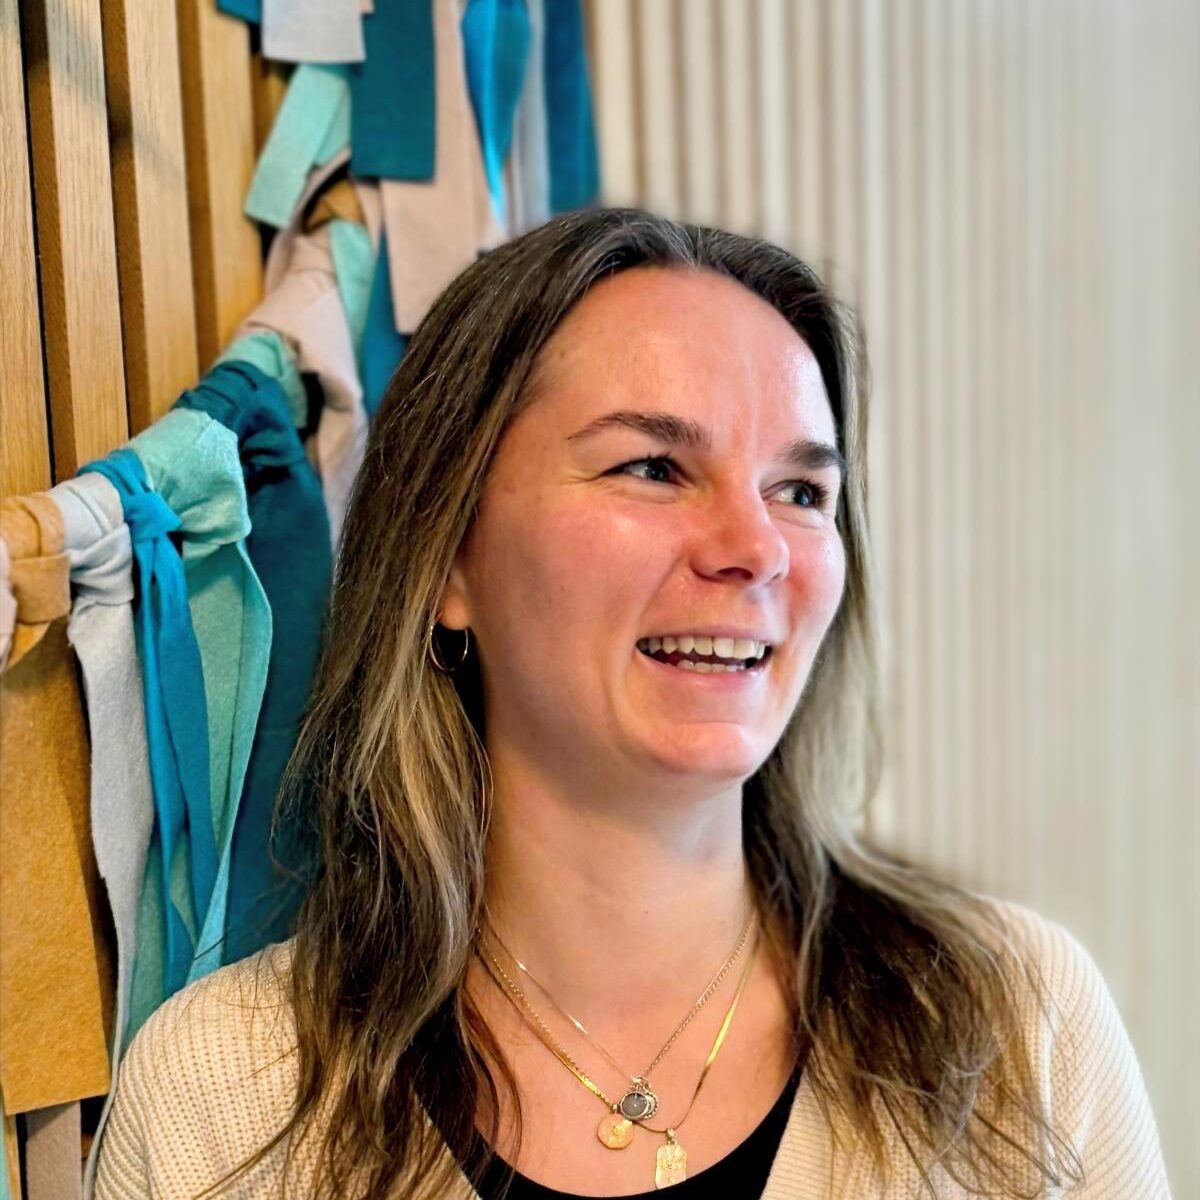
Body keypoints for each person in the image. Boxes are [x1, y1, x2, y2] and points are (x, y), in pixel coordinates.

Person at [94, 208, 1171, 1199]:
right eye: (653, 467)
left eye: (802, 491)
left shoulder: (1019, 1026)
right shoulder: (219, 1104)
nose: (755, 548)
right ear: (449, 557)